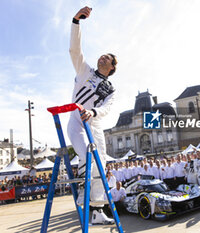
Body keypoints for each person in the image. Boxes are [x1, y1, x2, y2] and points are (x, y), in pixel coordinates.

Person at [66, 6, 117, 225]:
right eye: (102, 55)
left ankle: (97, 209)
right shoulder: (84, 70)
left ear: (112, 67)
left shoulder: (112, 88)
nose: (102, 57)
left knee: (101, 162)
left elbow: (107, 107)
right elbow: (75, 50)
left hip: (94, 124)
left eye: (107, 57)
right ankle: (82, 193)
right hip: (77, 122)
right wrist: (76, 21)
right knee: (87, 156)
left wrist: (93, 112)